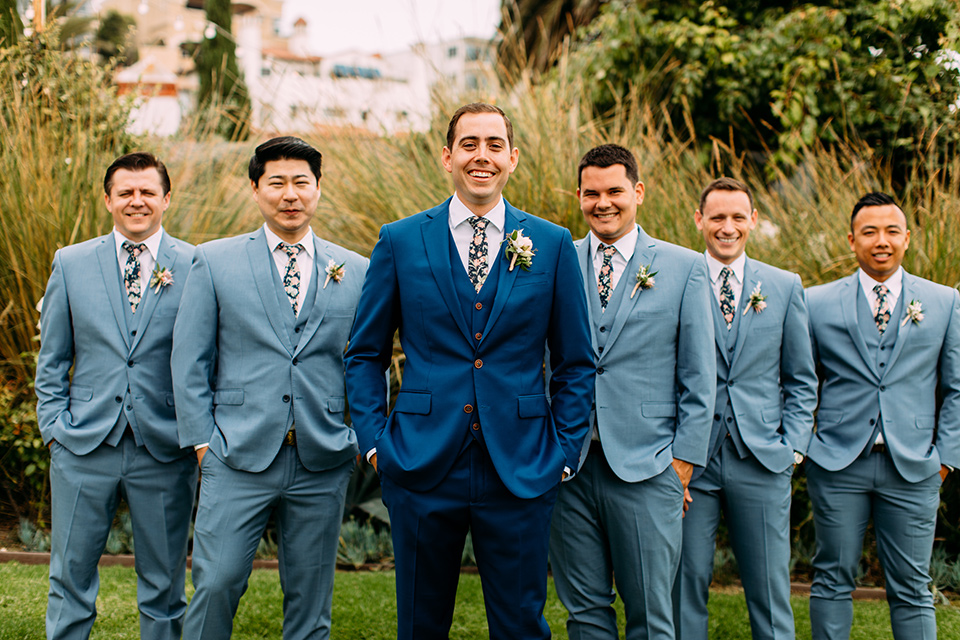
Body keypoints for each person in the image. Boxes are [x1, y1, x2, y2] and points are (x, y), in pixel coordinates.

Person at [344, 102, 595, 639]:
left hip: (522, 464)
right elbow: (364, 352)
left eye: (494, 145)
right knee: (419, 624)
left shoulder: (550, 244)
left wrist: (565, 452)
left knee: (522, 626)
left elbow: (575, 361)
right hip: (419, 461)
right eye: (469, 144)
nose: (482, 156)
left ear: (513, 158)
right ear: (447, 156)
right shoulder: (400, 240)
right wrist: (374, 444)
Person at [171, 136, 367, 640]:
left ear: (319, 188)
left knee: (310, 599)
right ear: (256, 189)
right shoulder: (214, 261)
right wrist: (201, 443)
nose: (290, 194)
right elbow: (190, 359)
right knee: (216, 583)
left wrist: (357, 438)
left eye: (302, 182)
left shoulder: (356, 270)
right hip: (234, 454)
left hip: (321, 459)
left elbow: (365, 363)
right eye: (276, 182)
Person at [548, 143, 715, 639]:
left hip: (648, 466)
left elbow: (699, 377)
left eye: (615, 191)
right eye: (592, 193)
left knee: (651, 618)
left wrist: (682, 462)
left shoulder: (685, 267)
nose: (604, 203)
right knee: (584, 614)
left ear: (637, 192)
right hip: (567, 467)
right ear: (578, 196)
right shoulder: (555, 261)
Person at [35, 152, 197, 640]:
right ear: (108, 199)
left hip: (165, 448)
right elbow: (53, 358)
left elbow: (205, 359)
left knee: (165, 584)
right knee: (70, 577)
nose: (137, 201)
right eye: (125, 192)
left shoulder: (195, 265)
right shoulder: (71, 262)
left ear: (166, 199)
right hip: (83, 445)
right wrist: (54, 429)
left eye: (148, 191)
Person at [805, 191, 959, 639]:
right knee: (831, 579)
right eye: (869, 231)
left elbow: (955, 387)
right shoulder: (815, 301)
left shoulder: (944, 301)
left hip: (913, 467)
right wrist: (808, 448)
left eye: (892, 231)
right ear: (851, 239)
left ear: (907, 238)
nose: (881, 240)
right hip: (836, 463)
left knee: (912, 587)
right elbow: (800, 379)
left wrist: (944, 459)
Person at [674, 177, 818, 640]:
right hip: (691, 463)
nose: (728, 227)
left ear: (753, 221)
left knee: (770, 590)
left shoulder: (783, 285)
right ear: (700, 221)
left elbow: (802, 379)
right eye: (717, 217)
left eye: (738, 217)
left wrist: (791, 449)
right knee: (685, 583)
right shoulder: (677, 279)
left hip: (761, 459)